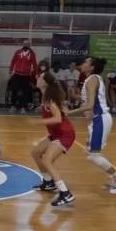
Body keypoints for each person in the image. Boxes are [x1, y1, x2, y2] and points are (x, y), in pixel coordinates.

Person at [66, 56, 116, 194]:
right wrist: (76, 98)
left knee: (93, 156)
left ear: (92, 67)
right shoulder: (91, 80)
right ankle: (115, 176)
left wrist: (68, 113)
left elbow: (89, 105)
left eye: (86, 62)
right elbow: (89, 102)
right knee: (91, 153)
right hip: (96, 120)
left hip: (100, 119)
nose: (82, 64)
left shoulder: (93, 79)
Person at [32, 71, 77, 206]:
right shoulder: (47, 96)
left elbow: (57, 118)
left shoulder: (50, 100)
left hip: (64, 134)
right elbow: (61, 111)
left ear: (45, 82)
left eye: (39, 77)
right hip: (55, 133)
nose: (37, 77)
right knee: (35, 152)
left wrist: (39, 122)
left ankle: (65, 193)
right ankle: (48, 182)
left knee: (47, 160)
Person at [8, 42, 38, 113]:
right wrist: (11, 70)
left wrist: (36, 73)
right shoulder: (18, 52)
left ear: (29, 46)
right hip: (17, 74)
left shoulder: (32, 54)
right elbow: (13, 61)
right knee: (14, 90)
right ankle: (13, 106)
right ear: (22, 45)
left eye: (27, 45)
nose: (25, 45)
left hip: (26, 75)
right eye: (24, 44)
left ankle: (23, 107)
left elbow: (35, 64)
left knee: (25, 92)